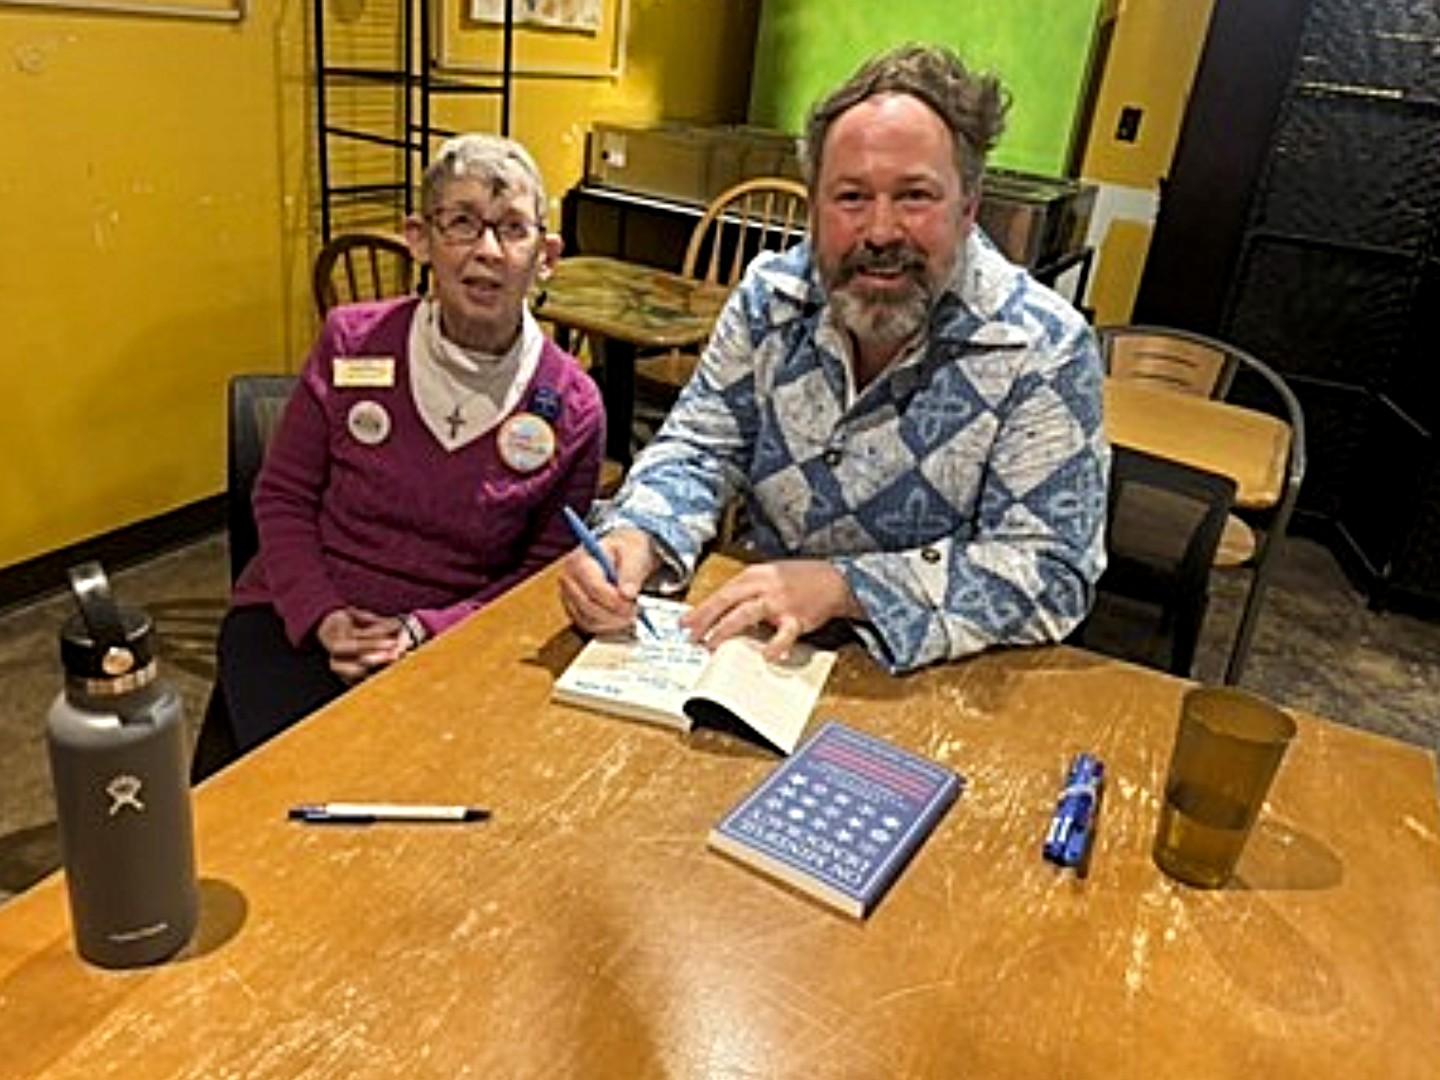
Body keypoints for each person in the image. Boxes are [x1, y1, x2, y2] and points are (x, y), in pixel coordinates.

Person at [558, 44, 1107, 674]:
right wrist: (637, 536)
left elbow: (1050, 571)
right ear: (814, 208)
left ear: (968, 209)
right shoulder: (772, 298)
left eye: (915, 196)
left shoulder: (1043, 349)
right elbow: (700, 449)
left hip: (933, 686)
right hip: (756, 660)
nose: (879, 231)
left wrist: (846, 588)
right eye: (850, 197)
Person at [193, 134, 604, 780]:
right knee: (292, 797)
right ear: (419, 238)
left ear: (546, 256)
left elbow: (540, 573)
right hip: (295, 617)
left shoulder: (574, 405)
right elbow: (283, 496)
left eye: (513, 229)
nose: (487, 252)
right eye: (461, 223)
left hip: (454, 646)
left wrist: (423, 632)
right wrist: (323, 616)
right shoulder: (351, 340)